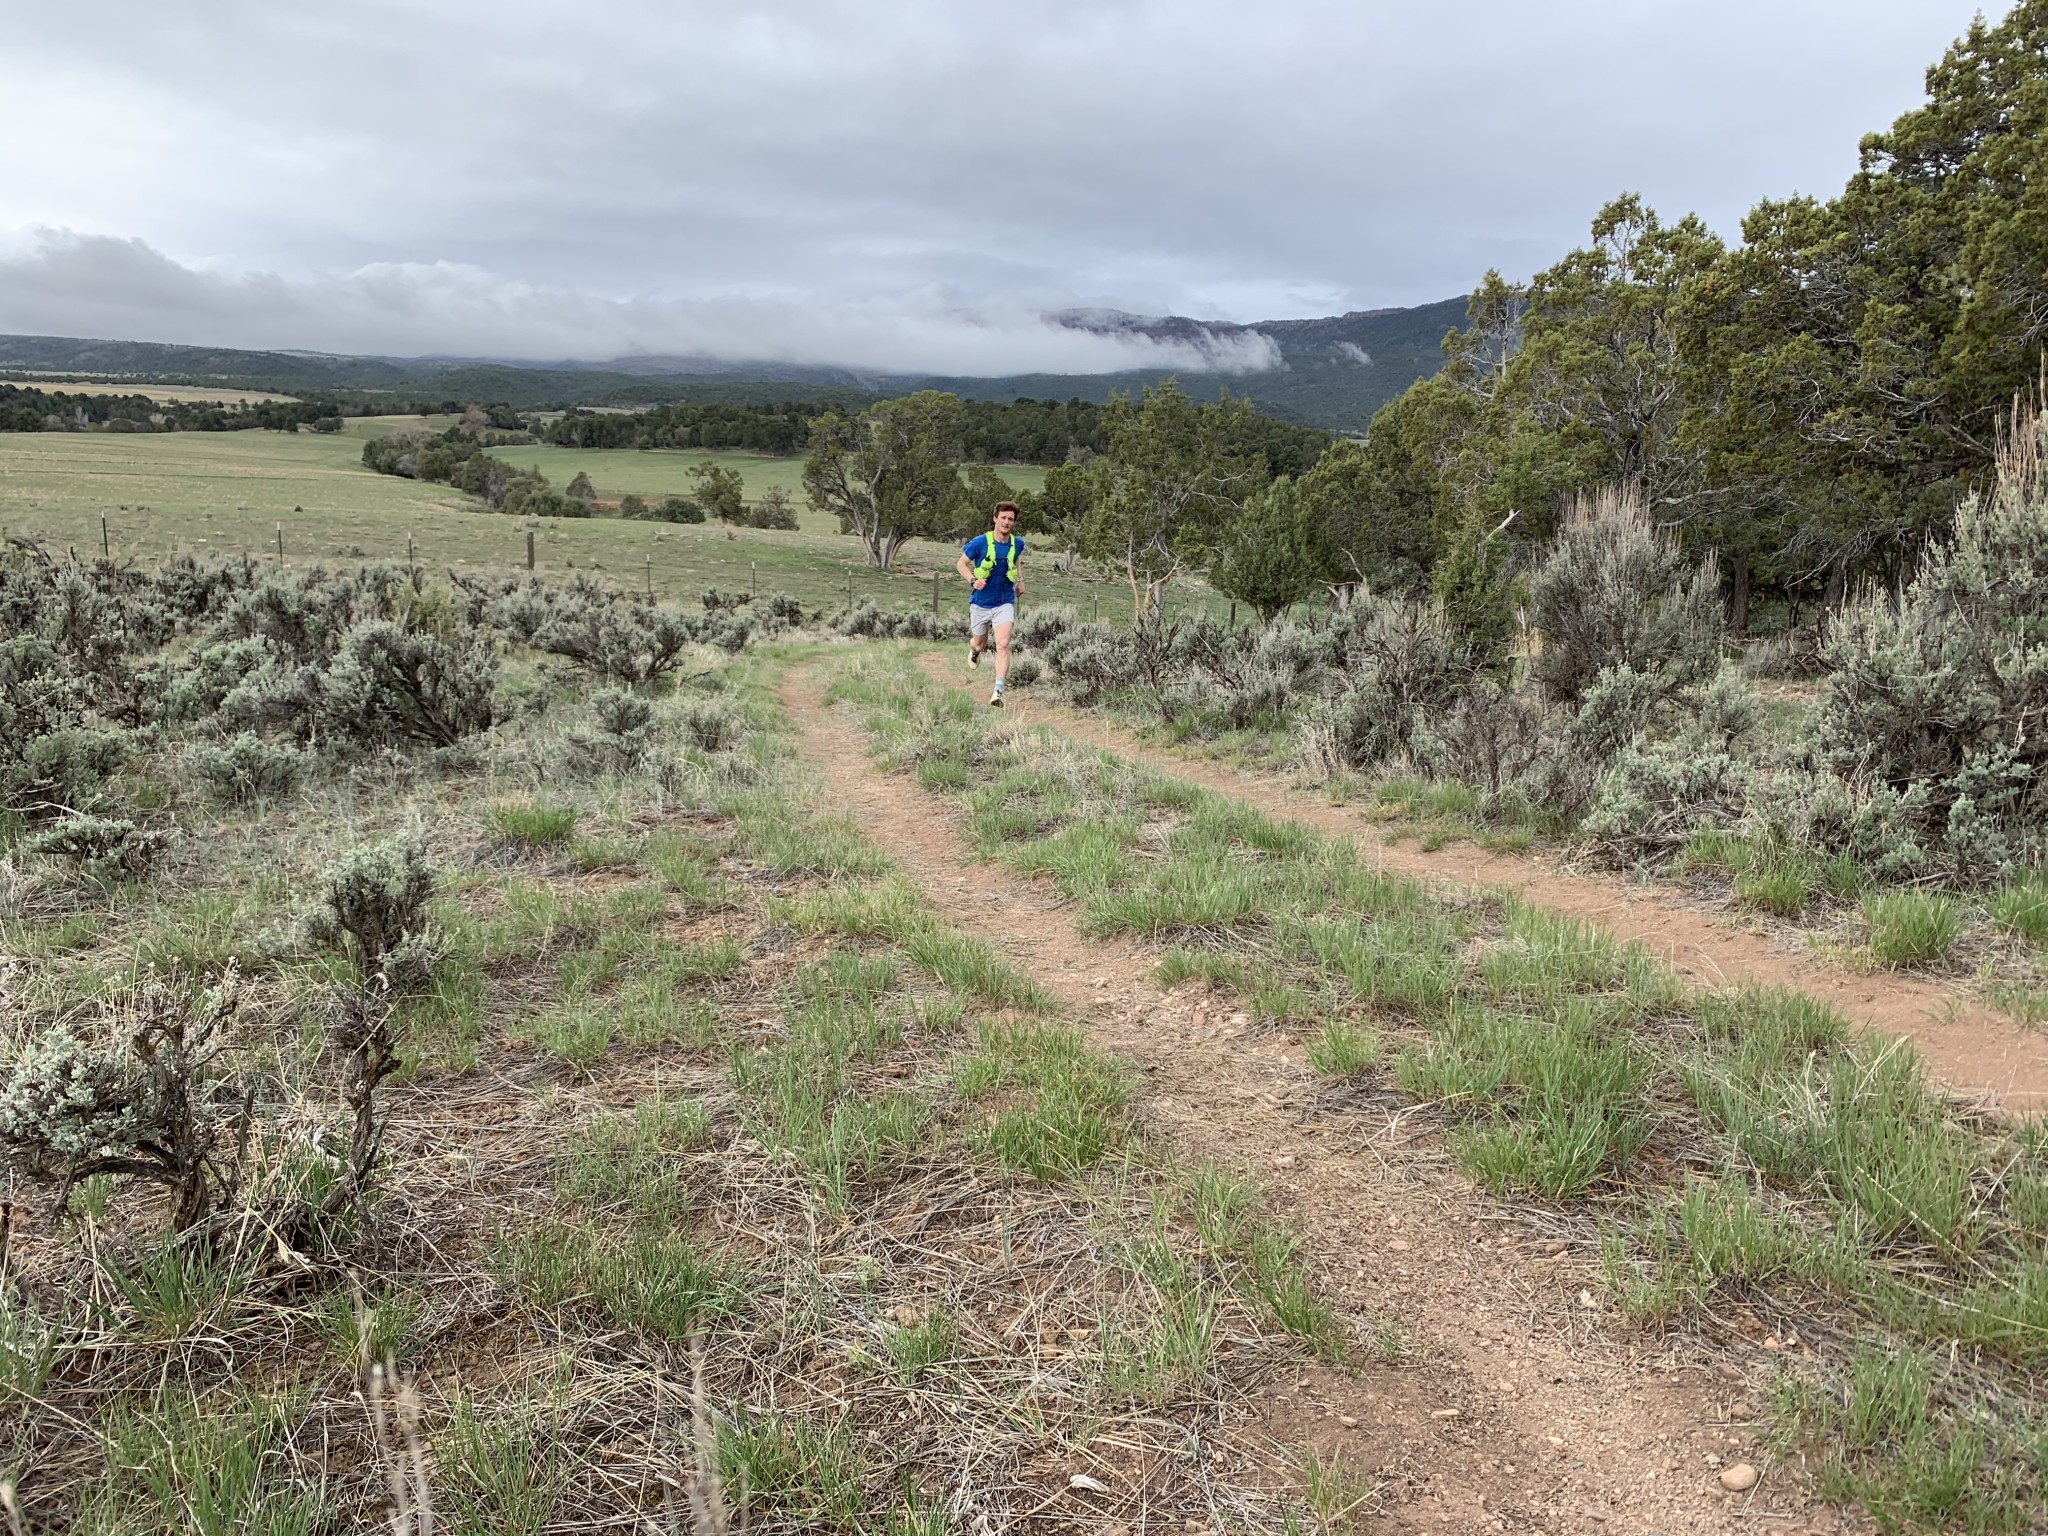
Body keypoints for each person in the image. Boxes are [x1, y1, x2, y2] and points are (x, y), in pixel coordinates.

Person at [956, 501, 1023, 707]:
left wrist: (1020, 581)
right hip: (981, 603)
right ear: (995, 519)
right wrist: (973, 580)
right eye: (1003, 518)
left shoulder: (1017, 543)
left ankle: (998, 691)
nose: (1006, 522)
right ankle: (975, 650)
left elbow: (1016, 559)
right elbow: (961, 564)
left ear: (1014, 522)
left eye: (1010, 519)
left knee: (1003, 644)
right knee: (980, 644)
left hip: (1004, 602)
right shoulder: (979, 542)